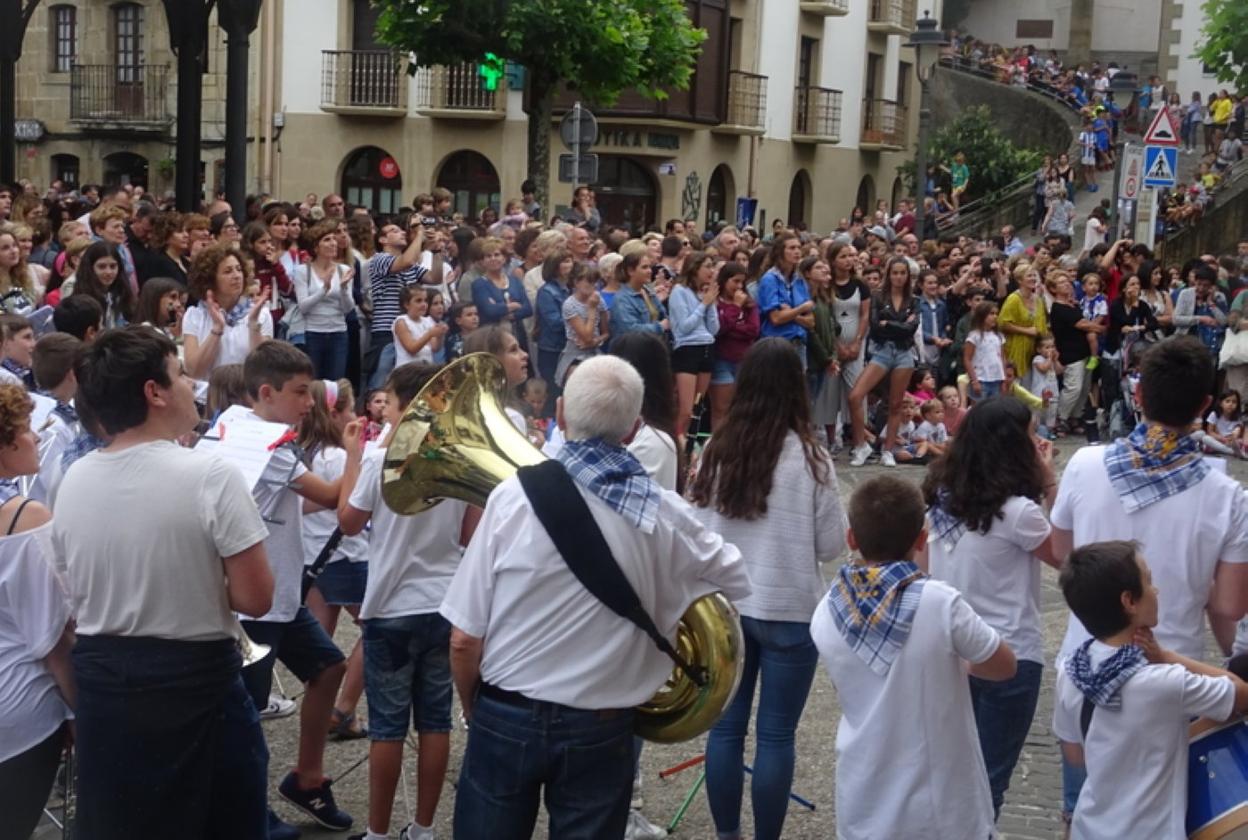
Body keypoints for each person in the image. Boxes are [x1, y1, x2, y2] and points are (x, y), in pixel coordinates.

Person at [438, 354, 751, 839]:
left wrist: (475, 709)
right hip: (602, 725)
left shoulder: (510, 498)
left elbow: (463, 638)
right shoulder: (664, 513)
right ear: (634, 427)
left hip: (507, 711)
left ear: (561, 413)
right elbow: (736, 576)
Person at [53, 326, 273, 839]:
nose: (191, 384)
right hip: (194, 682)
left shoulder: (74, 478)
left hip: (105, 685)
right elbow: (257, 598)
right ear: (154, 392)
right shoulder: (212, 475)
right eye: (180, 374)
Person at [1052, 336, 1248, 822]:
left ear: (1138, 394)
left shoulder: (1084, 464)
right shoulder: (1227, 496)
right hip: (1170, 672)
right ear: (1204, 405)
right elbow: (1229, 606)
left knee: (1083, 805)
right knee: (1158, 810)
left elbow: (1062, 555)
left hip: (1084, 664)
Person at [690, 339, 845, 840]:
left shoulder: (716, 450)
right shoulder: (812, 458)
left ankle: (726, 834)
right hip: (789, 607)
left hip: (727, 610)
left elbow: (695, 531)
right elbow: (832, 546)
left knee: (726, 729)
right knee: (776, 736)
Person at [812, 475, 1017, 840]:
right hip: (940, 810)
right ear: (922, 540)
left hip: (862, 798)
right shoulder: (940, 604)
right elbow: (1004, 665)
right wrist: (962, 663)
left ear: (851, 538)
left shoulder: (826, 611)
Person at [337, 363, 471, 840]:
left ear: (407, 406)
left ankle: (377, 832)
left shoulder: (380, 460)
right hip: (443, 601)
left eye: (389, 402)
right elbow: (469, 534)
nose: (384, 411)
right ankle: (424, 828)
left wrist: (353, 456)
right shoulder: (457, 458)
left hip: (392, 604)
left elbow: (349, 522)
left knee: (388, 728)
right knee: (435, 722)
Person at [1052, 541, 1248, 839]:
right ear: (1129, 601)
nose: (1155, 591)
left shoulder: (1070, 670)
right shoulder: (1164, 683)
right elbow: (1241, 692)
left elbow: (1074, 753)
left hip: (1090, 827)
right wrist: (1167, 656)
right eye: (1148, 581)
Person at [922, 397, 1059, 818]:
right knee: (987, 785)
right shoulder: (1018, 513)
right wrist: (1050, 483)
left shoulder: (941, 501)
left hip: (950, 651)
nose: (1038, 442)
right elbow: (1068, 557)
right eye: (1032, 435)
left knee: (948, 775)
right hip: (1010, 653)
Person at [238, 341, 353, 838]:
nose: (310, 403)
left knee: (329, 667)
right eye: (300, 392)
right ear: (267, 393)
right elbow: (330, 497)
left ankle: (307, 779)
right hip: (258, 603)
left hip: (281, 594)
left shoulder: (239, 426)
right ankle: (248, 812)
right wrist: (357, 454)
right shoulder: (271, 444)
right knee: (246, 718)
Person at [0, 382, 75, 839]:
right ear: (6, 444)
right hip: (17, 712)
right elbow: (53, 640)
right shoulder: (22, 517)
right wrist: (81, 712)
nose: (35, 437)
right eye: (27, 428)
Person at [298, 378, 369, 741]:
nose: (355, 416)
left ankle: (320, 709)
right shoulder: (339, 457)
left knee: (319, 646)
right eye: (351, 409)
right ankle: (343, 709)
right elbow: (354, 503)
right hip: (345, 556)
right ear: (335, 414)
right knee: (376, 630)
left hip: (314, 557)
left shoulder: (303, 453)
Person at [848, 258, 920, 467]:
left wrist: (888, 323)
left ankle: (888, 450)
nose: (899, 277)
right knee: (855, 396)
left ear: (908, 276)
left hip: (905, 352)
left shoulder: (914, 300)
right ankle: (861, 445)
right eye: (895, 272)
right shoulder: (878, 296)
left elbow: (911, 329)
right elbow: (875, 326)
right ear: (889, 274)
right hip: (882, 351)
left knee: (896, 403)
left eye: (902, 273)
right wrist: (898, 324)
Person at [183, 243, 273, 381]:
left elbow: (264, 370)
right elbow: (194, 372)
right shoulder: (194, 315)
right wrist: (217, 329)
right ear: (210, 279)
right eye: (228, 271)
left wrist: (253, 324)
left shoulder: (261, 314)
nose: (237, 276)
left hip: (246, 392)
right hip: (208, 392)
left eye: (239, 269)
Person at [291, 219, 355, 379]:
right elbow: (303, 307)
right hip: (313, 333)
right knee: (313, 381)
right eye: (327, 240)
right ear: (315, 247)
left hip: (338, 333)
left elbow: (348, 308)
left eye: (334, 239)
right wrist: (324, 289)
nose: (333, 243)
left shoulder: (344, 270)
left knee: (336, 382)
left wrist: (343, 288)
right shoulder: (302, 271)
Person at [668, 251, 720, 442]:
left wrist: (710, 304)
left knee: (698, 407)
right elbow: (684, 327)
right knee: (686, 409)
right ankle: (677, 444)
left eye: (712, 266)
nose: (711, 271)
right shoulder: (679, 291)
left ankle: (690, 445)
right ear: (694, 268)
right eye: (707, 266)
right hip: (688, 350)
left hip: (707, 348)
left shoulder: (704, 293)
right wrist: (704, 304)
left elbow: (714, 329)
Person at [709, 262, 759, 431]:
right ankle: (719, 443)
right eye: (735, 281)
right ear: (724, 280)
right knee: (721, 409)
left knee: (743, 409)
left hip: (744, 360)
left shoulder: (749, 303)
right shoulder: (715, 303)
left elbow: (753, 330)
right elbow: (720, 328)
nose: (739, 286)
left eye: (742, 282)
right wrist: (735, 307)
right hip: (722, 360)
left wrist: (732, 328)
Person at [755, 233, 812, 362]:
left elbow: (810, 321)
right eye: (792, 248)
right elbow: (776, 318)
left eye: (799, 247)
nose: (797, 251)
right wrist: (800, 309)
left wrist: (790, 313)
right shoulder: (770, 279)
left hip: (799, 343)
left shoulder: (799, 279)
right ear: (780, 252)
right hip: (777, 344)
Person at [998, 265, 1047, 377]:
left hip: (1035, 350)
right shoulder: (1013, 299)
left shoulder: (1038, 299)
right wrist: (1026, 330)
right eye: (1029, 276)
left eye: (1034, 275)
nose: (1033, 278)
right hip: (1016, 349)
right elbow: (1002, 324)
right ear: (1020, 280)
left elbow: (1042, 324)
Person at [963, 301, 1006, 402]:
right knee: (980, 408)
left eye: (996, 314)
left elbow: (1002, 358)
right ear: (982, 315)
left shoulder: (999, 336)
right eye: (991, 314)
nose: (995, 316)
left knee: (994, 407)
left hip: (996, 379)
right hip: (981, 379)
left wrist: (1004, 379)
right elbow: (967, 359)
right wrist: (974, 380)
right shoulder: (974, 336)